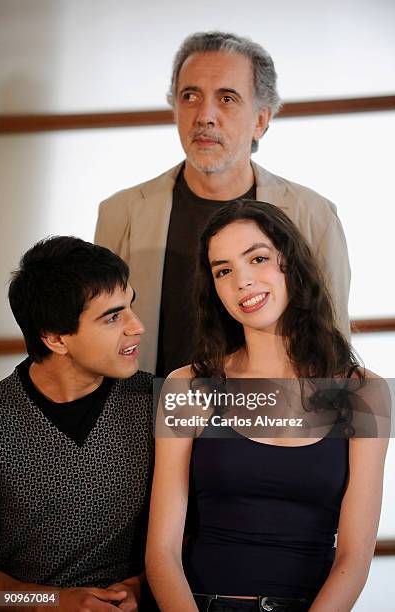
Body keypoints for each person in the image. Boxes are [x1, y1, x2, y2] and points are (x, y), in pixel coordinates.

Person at [145, 200, 389, 612]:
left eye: (257, 258)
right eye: (223, 270)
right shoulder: (187, 386)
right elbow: (162, 553)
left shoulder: (364, 393)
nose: (242, 281)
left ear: (290, 264)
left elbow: (354, 556)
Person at [95, 31, 351, 377]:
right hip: (148, 420)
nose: (204, 116)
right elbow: (100, 338)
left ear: (261, 119)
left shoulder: (313, 215)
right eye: (190, 96)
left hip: (275, 423)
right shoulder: (121, 213)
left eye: (227, 98)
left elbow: (331, 342)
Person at [0, 236, 153, 612]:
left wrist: (145, 586)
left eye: (130, 306)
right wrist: (49, 601)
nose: (138, 327)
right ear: (55, 338)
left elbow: (209, 530)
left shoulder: (160, 400)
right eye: (113, 317)